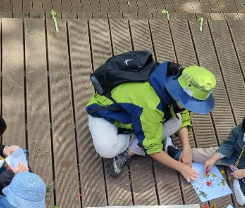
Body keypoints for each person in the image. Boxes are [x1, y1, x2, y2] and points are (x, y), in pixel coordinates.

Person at [87, 63, 216, 181]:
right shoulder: (152, 104)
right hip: (107, 114)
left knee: (176, 122)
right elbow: (153, 149)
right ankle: (137, 138)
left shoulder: (176, 77)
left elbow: (183, 111)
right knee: (107, 149)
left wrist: (186, 148)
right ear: (180, 94)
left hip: (137, 116)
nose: (190, 109)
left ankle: (129, 151)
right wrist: (181, 168)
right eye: (190, 104)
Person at [168, 105, 245, 206]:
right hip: (232, 155)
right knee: (210, 153)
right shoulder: (241, 128)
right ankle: (179, 153)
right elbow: (229, 144)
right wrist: (214, 158)